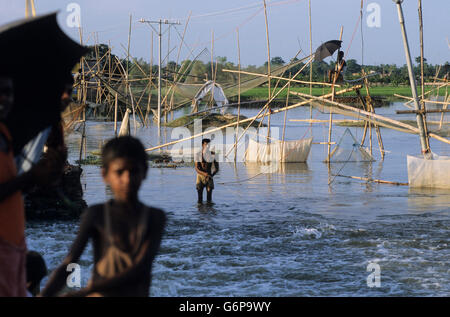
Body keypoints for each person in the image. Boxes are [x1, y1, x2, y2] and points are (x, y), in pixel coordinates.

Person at [40, 136, 166, 297]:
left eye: (134, 171)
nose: (127, 179)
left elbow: (139, 267)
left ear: (145, 172)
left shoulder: (155, 217)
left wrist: (87, 290)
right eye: (119, 172)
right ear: (105, 174)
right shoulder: (96, 214)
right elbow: (69, 262)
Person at [0, 76, 64, 297]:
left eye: (8, 92)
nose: (5, 99)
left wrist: (40, 178)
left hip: (13, 242)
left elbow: (13, 189)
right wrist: (30, 178)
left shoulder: (6, 137)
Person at [194, 138, 219, 203]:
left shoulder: (213, 154)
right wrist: (204, 174)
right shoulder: (198, 154)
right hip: (200, 176)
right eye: (206, 145)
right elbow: (196, 168)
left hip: (209, 176)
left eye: (209, 145)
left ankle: (209, 211)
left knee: (209, 199)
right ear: (203, 145)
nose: (207, 146)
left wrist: (211, 175)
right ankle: (200, 212)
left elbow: (217, 168)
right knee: (200, 198)